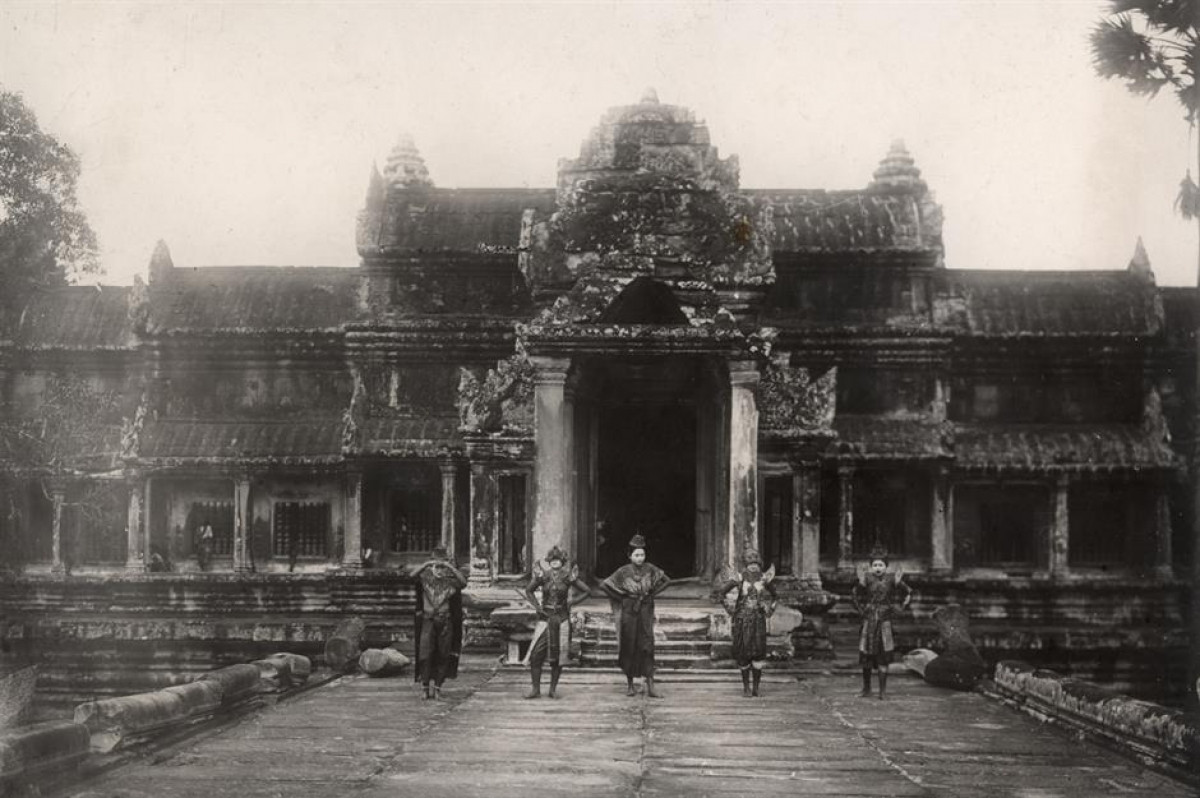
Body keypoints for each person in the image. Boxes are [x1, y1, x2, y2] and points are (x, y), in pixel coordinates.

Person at [600, 533, 670, 698]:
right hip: (629, 610)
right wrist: (621, 598)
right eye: (636, 555)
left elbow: (667, 581)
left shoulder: (651, 569)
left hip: (645, 608)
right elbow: (604, 585)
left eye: (642, 554)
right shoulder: (623, 571)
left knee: (647, 644)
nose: (640, 558)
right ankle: (630, 685)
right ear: (629, 556)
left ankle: (651, 685)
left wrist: (652, 594)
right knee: (629, 644)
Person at [522, 545, 590, 699]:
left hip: (562, 620)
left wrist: (571, 603)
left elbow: (587, 591)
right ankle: (535, 689)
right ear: (548, 562)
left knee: (559, 656)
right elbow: (528, 590)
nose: (555, 562)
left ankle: (552, 689)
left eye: (558, 560)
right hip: (545, 619)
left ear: (562, 562)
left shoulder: (568, 577)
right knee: (536, 654)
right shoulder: (543, 576)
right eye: (552, 560)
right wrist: (537, 607)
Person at [851, 546, 912, 700]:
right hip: (869, 620)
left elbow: (908, 592)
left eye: (881, 565)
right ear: (871, 566)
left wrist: (899, 608)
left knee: (884, 655)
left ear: (886, 566)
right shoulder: (866, 578)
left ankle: (882, 691)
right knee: (866, 656)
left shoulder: (892, 579)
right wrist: (861, 609)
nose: (878, 568)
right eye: (875, 565)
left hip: (885, 621)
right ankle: (866, 689)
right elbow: (855, 594)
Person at [718, 547, 778, 697]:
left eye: (756, 564)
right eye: (750, 563)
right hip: (742, 621)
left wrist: (769, 609)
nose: (753, 566)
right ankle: (746, 687)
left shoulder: (765, 579)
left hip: (758, 620)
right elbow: (721, 593)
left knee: (758, 652)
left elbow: (776, 596)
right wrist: (730, 609)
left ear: (760, 565)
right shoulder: (738, 579)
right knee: (743, 652)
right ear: (745, 564)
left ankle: (756, 687)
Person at [412, 545, 467, 700]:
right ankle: (424, 687)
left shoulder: (450, 580)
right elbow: (410, 576)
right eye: (437, 565)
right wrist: (426, 565)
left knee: (443, 654)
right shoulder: (425, 577)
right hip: (428, 620)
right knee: (425, 654)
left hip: (445, 620)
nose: (439, 569)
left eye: (442, 565)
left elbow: (463, 583)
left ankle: (437, 688)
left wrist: (450, 567)